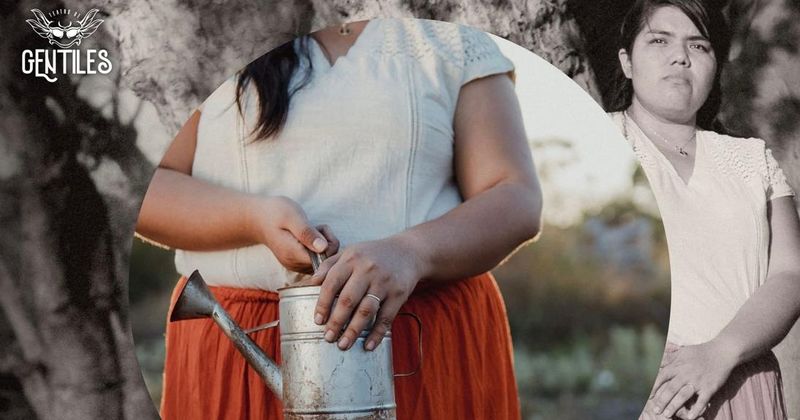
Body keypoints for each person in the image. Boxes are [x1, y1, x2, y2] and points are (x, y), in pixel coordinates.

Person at [137, 17, 542, 419]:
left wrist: (411, 252)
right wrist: (253, 219)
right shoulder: (203, 32)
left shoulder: (449, 35)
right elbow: (141, 188)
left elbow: (514, 194)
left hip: (420, 344)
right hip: (242, 346)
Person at [607, 1, 800, 419]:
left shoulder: (752, 159)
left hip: (747, 383)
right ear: (626, 61)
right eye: (659, 40)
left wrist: (720, 353)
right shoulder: (592, 139)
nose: (680, 56)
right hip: (642, 390)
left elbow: (790, 274)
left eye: (699, 45)